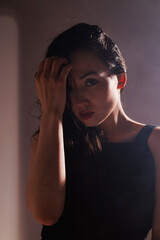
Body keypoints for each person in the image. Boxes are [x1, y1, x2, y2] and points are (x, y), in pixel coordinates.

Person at [26, 23, 160, 240]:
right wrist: (52, 110)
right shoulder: (52, 139)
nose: (79, 100)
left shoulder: (155, 144)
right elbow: (45, 214)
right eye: (68, 88)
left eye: (90, 82)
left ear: (120, 79)